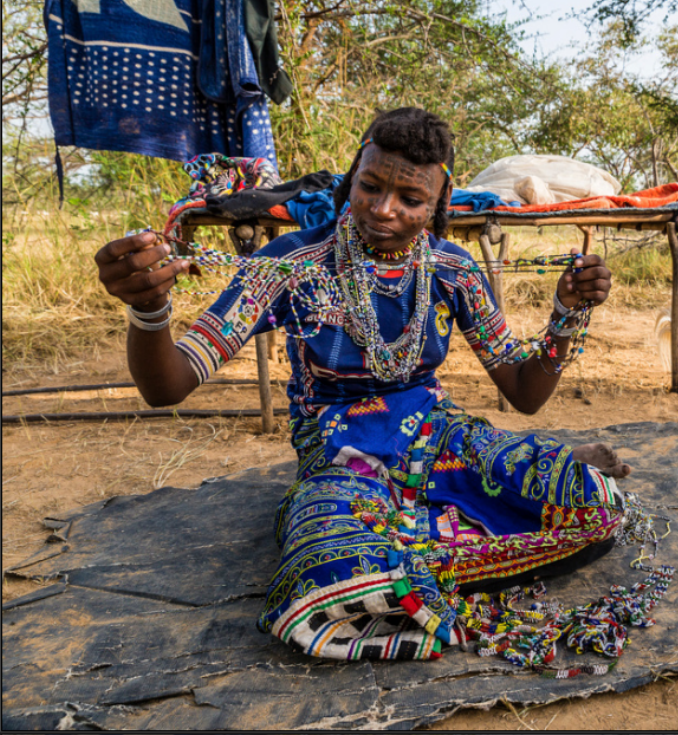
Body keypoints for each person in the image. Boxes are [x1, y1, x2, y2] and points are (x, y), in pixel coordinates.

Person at [94, 107, 642, 663]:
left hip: (438, 442)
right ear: (351, 177)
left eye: (410, 199)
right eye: (371, 186)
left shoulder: (452, 270)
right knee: (330, 563)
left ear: (437, 204)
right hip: (341, 455)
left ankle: (411, 563)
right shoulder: (291, 265)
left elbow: (525, 394)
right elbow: (169, 385)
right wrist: (148, 308)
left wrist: (565, 315)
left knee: (587, 500)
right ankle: (420, 554)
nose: (384, 210)